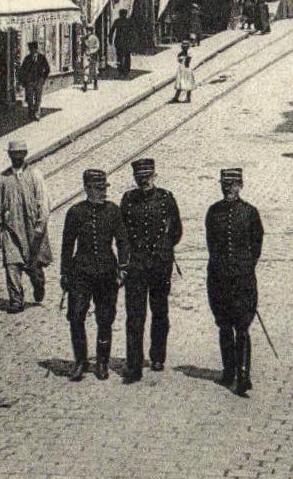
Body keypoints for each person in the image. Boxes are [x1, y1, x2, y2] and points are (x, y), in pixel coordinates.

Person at [60, 168, 129, 382]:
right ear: (87, 189)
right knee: (76, 316)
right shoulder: (75, 213)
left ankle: (102, 362)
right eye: (98, 189)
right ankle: (80, 361)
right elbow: (67, 246)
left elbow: (123, 241)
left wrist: (123, 268)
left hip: (107, 273)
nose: (103, 193)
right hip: (81, 272)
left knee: (105, 318)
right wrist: (65, 274)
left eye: (104, 188)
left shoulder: (113, 211)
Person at [120, 157, 183, 381]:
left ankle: (157, 356)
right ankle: (134, 363)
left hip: (159, 265)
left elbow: (176, 230)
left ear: (154, 177)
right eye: (139, 178)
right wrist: (127, 260)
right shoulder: (128, 200)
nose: (143, 182)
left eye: (146, 178)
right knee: (135, 315)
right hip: (136, 265)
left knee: (159, 312)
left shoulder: (166, 199)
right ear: (135, 179)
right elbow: (123, 233)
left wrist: (164, 249)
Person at [205, 167, 264, 396]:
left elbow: (256, 245)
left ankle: (243, 373)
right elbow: (212, 244)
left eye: (232, 185)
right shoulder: (213, 212)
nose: (228, 189)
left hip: (242, 280)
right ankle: (228, 370)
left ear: (240, 186)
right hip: (219, 278)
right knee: (223, 324)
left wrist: (245, 266)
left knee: (242, 325)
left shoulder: (250, 213)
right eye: (225, 185)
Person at [0, 135, 51, 312]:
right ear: (9, 155)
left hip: (32, 228)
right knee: (12, 264)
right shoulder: (3, 179)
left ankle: (38, 283)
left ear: (25, 154)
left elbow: (44, 202)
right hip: (11, 230)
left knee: (33, 266)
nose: (17, 157)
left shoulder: (35, 175)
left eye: (20, 153)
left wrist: (40, 226)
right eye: (13, 154)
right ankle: (16, 299)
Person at [17, 40, 50, 121]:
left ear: (36, 49)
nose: (32, 51)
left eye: (33, 49)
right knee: (29, 98)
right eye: (31, 49)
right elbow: (22, 70)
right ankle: (30, 113)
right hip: (29, 82)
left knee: (38, 98)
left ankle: (36, 113)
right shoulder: (27, 58)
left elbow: (47, 69)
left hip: (39, 81)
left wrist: (43, 79)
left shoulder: (41, 58)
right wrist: (22, 81)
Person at [109, 8, 133, 77]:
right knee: (126, 57)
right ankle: (125, 71)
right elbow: (133, 33)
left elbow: (111, 31)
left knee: (119, 57)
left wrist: (110, 40)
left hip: (119, 42)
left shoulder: (117, 21)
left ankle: (121, 71)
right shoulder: (129, 21)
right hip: (126, 42)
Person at [171, 39, 196, 103]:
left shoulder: (189, 53)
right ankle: (176, 97)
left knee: (188, 83)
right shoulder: (181, 53)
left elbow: (188, 61)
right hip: (182, 69)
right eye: (183, 47)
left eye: (186, 47)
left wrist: (185, 58)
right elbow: (179, 60)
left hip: (187, 69)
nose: (185, 48)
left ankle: (188, 98)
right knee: (180, 83)